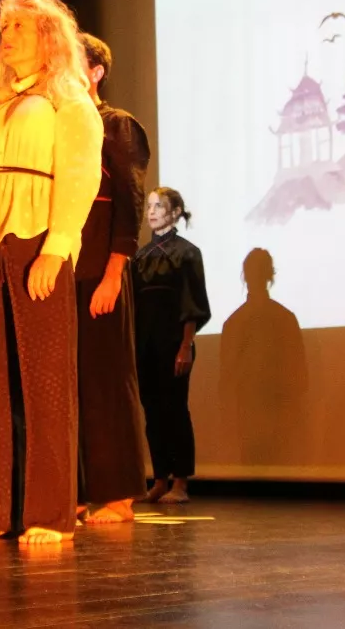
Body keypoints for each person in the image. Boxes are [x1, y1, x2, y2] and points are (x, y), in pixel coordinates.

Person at [0, 0, 103, 546]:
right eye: (3, 27)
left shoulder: (69, 99)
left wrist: (57, 248)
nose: (7, 35)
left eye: (19, 26)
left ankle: (50, 513)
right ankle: (2, 511)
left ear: (48, 36)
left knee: (44, 380)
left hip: (36, 236)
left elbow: (81, 175)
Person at [75, 33, 151, 525]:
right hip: (66, 270)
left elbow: (130, 204)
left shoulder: (115, 125)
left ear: (97, 71)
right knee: (75, 384)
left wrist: (113, 273)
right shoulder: (66, 129)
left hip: (103, 269)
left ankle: (121, 493)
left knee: (108, 378)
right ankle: (83, 487)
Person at [132, 187, 209, 504]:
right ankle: (160, 477)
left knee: (175, 409)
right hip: (145, 341)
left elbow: (192, 303)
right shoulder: (139, 257)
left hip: (174, 341)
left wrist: (185, 345)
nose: (152, 212)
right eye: (149, 206)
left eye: (159, 206)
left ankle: (180, 482)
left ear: (175, 212)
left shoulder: (187, 252)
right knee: (152, 410)